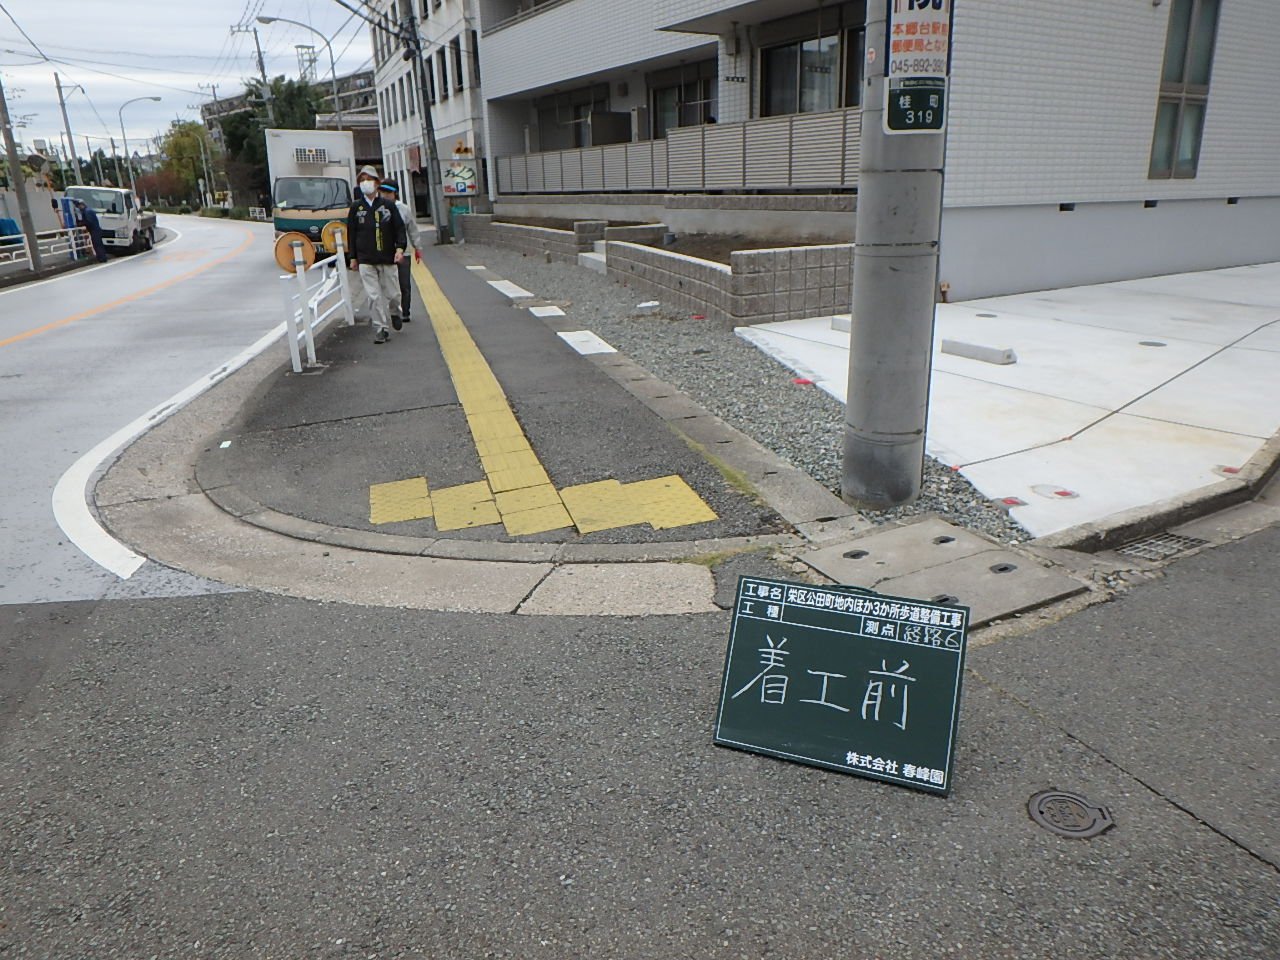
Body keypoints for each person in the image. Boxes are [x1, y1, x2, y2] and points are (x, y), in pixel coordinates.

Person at [346, 166, 406, 344]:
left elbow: (399, 228)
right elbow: (351, 233)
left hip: (387, 256)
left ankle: (395, 312)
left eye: (369, 179)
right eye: (362, 180)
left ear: (377, 183)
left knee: (393, 294)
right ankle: (381, 328)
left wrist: (400, 249)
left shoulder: (388, 205)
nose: (365, 183)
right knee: (373, 296)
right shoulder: (356, 207)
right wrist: (353, 257)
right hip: (365, 258)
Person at [376, 180, 423, 325]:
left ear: (395, 193)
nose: (385, 195)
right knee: (387, 284)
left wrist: (417, 247)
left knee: (404, 283)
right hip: (385, 253)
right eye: (383, 192)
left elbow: (412, 229)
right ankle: (393, 311)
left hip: (404, 252)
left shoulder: (403, 209)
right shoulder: (377, 208)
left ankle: (405, 312)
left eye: (388, 192)